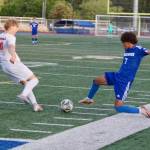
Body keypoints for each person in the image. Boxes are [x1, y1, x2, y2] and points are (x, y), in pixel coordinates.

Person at [79, 32, 150, 117]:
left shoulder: (139, 49)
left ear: (127, 42)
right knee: (96, 81)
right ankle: (89, 99)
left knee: (118, 107)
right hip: (117, 76)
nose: (122, 45)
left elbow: (148, 51)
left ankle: (141, 110)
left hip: (124, 81)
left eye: (123, 43)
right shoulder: (127, 49)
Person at [0, 19, 43, 112]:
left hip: (4, 67)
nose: (17, 30)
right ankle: (23, 95)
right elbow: (11, 47)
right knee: (34, 80)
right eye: (16, 28)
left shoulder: (1, 36)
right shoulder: (10, 36)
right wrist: (13, 55)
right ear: (11, 27)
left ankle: (35, 105)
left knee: (27, 84)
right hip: (13, 64)